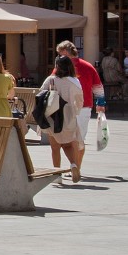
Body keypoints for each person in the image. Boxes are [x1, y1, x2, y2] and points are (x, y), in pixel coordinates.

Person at [37, 54, 87, 182]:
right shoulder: (74, 81)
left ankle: (57, 175)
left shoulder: (51, 79)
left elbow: (41, 93)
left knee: (55, 148)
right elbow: (80, 100)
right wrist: (76, 111)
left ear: (57, 66)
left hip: (53, 115)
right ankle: (73, 165)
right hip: (68, 115)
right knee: (68, 145)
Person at [56, 40, 103, 143]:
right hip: (84, 105)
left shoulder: (60, 68)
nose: (59, 57)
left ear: (65, 52)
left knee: (66, 139)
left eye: (60, 54)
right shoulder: (88, 66)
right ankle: (78, 153)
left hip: (65, 106)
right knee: (80, 138)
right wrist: (100, 103)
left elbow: (52, 82)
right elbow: (98, 86)